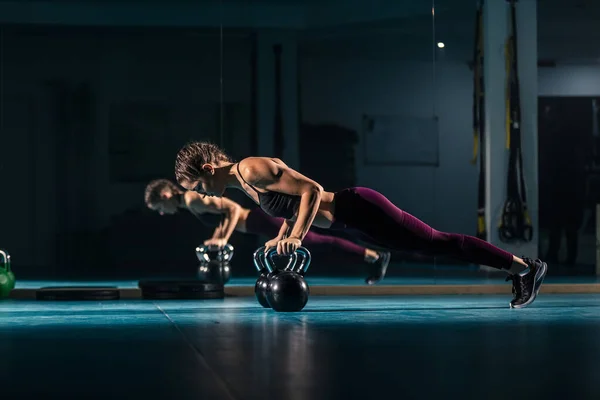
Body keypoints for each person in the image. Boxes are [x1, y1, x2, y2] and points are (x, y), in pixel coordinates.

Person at [173, 142, 548, 309]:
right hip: (353, 223)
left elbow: (312, 191)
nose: (204, 196)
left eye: (199, 188)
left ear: (207, 170)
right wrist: (282, 238)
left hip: (361, 207)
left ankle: (524, 267)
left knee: (438, 242)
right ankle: (521, 268)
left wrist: (299, 236)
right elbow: (288, 210)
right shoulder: (246, 186)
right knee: (428, 246)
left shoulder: (252, 168)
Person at [144, 179, 391, 284]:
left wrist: (221, 238)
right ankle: (371, 255)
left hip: (259, 221)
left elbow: (231, 209)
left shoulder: (190, 200)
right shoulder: (190, 203)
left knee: (314, 242)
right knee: (316, 242)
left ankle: (374, 255)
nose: (163, 212)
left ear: (165, 195)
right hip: (256, 224)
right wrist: (217, 235)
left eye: (159, 207)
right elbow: (223, 216)